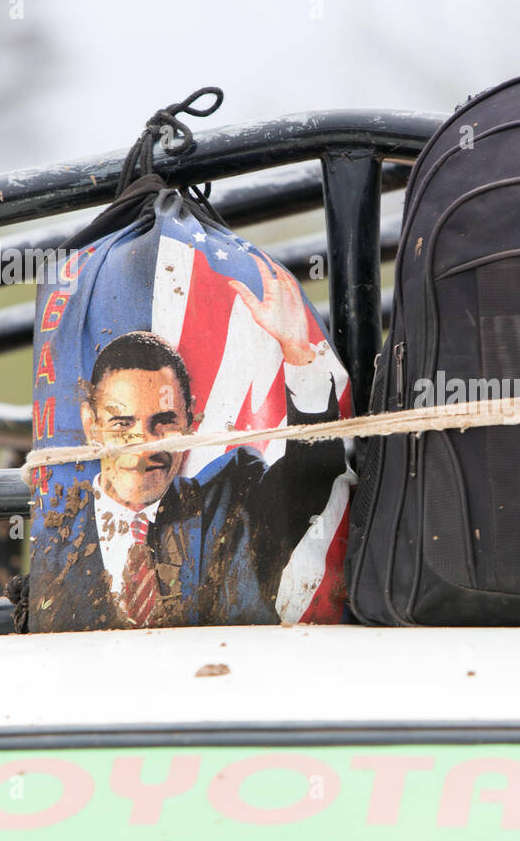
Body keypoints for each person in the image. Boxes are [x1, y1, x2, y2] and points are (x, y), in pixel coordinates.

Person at [31, 269, 344, 630]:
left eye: (163, 422)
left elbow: (310, 477)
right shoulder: (56, 527)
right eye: (122, 424)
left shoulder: (231, 499)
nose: (144, 445)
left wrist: (298, 355)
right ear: (92, 425)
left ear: (191, 420)